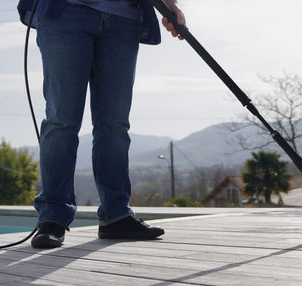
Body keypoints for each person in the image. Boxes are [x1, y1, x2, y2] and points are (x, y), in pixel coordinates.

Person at [16, 0, 185, 248]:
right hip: (66, 12)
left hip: (123, 17)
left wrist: (171, 5)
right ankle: (52, 217)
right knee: (62, 120)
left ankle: (115, 215)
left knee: (114, 123)